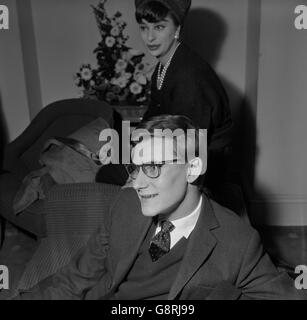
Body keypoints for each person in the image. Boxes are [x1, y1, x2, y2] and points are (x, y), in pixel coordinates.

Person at [13, 115, 303, 300]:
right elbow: (76, 277)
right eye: (136, 167)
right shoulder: (124, 204)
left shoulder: (237, 242)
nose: (137, 183)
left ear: (192, 169)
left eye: (152, 167)